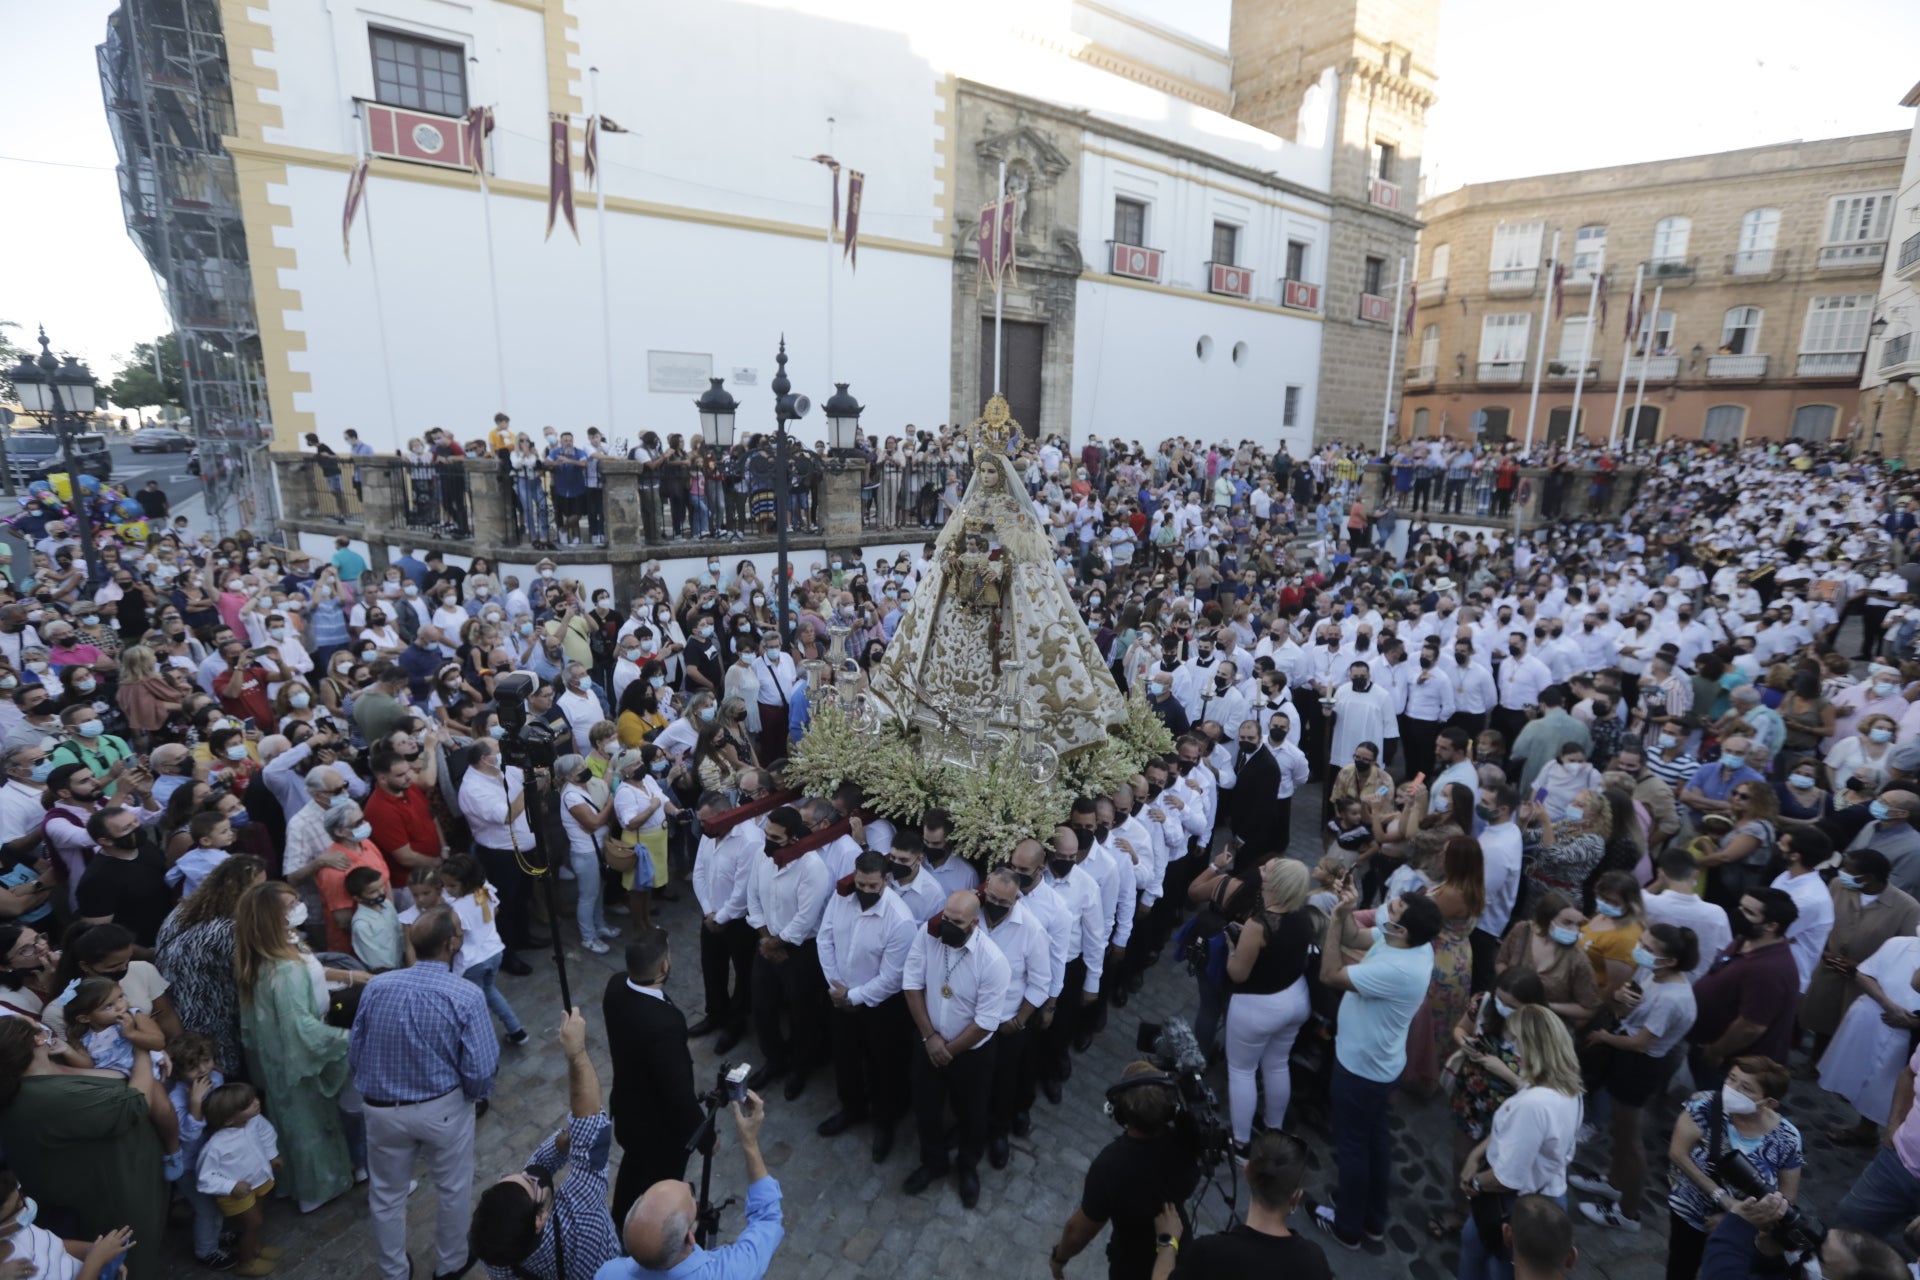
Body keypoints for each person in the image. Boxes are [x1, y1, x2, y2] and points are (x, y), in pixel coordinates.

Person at [351, 905, 501, 1280]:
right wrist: (472, 1096)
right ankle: (450, 1264)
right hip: (443, 1108)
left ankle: (394, 1272)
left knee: (386, 1196)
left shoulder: (378, 985)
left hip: (382, 1109)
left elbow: (356, 1049)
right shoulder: (465, 995)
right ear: (452, 943)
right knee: (452, 1188)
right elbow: (481, 1068)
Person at [1307, 884, 1442, 1249]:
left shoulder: (1400, 967)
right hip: (1380, 1064)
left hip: (1360, 1069)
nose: (1385, 909)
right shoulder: (1405, 941)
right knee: (1375, 1141)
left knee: (1352, 1147)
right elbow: (1356, 935)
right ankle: (1373, 1215)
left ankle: (1348, 1226)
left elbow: (1330, 973)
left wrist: (1335, 918)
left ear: (1402, 930)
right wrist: (1347, 910)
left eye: (1392, 909)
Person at [0, 1017, 169, 1280]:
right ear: (38, 1039)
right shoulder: (46, 1098)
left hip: (122, 1180)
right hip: (114, 1193)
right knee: (132, 1265)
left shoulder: (44, 1075)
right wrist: (141, 1050)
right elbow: (134, 1105)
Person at [232, 880, 355, 1215]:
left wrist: (351, 979)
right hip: (296, 1056)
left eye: (296, 900)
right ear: (271, 918)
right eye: (289, 906)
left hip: (281, 1053)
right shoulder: (283, 967)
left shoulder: (281, 947)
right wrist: (350, 1039)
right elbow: (300, 1027)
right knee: (309, 1124)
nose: (299, 908)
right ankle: (317, 1188)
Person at [471, 1009, 621, 1280]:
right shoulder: (580, 1214)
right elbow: (591, 1128)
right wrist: (576, 1053)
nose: (527, 1172)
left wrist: (559, 1145)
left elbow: (537, 1170)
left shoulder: (497, 1253)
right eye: (529, 1182)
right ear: (540, 1220)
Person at [1574, 923, 1700, 1232]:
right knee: (1619, 1131)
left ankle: (1627, 1212)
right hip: (1627, 1057)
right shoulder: (1653, 975)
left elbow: (1641, 1042)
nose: (1639, 951)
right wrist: (1618, 998)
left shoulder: (1673, 998)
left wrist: (1604, 1037)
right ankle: (1614, 1182)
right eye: (1642, 943)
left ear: (1670, 961)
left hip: (1639, 1066)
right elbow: (1625, 1007)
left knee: (1631, 1141)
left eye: (1647, 948)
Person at [592, 1089, 782, 1280]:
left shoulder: (608, 1273)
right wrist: (749, 1141)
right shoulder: (727, 1273)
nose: (687, 1186)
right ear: (690, 1237)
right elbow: (766, 1220)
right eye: (692, 1194)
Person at [1455, 1006, 1585, 1280]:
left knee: (1499, 1265)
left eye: (1517, 1042)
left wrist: (1474, 1183)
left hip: (1517, 1204)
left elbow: (1507, 1178)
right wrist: (1476, 1154)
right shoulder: (1564, 1085)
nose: (1513, 1049)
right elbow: (1513, 1133)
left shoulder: (1534, 1104)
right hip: (1543, 1190)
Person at [901, 890, 1010, 1208]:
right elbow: (911, 984)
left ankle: (967, 1168)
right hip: (928, 1040)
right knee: (925, 1107)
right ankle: (933, 1162)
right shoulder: (928, 934)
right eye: (946, 917)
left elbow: (986, 1022)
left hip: (971, 1053)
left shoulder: (993, 962)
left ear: (975, 923)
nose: (946, 925)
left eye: (956, 921)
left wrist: (949, 1051)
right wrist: (930, 1038)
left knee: (973, 1115)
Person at [1049, 1062, 1202, 1280]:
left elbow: (1079, 1231)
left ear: (1120, 1113)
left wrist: (1058, 1258)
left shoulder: (1110, 1166)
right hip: (1177, 1242)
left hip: (1130, 1264)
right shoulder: (1189, 1140)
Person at [814, 849, 916, 1162]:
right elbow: (825, 938)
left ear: (886, 880)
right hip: (839, 993)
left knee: (883, 1066)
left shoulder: (900, 919)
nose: (866, 891)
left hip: (879, 1006)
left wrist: (853, 997)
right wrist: (835, 986)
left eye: (873, 886)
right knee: (845, 1058)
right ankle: (852, 1108)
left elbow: (892, 977)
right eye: (862, 884)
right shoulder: (842, 896)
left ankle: (884, 1123)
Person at [1665, 1056, 1801, 1280]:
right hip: (1689, 1213)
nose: (1731, 1089)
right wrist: (1723, 1199)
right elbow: (1678, 1154)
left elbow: (1787, 1197)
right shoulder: (1704, 1105)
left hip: (1747, 1229)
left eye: (1746, 1088)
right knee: (1680, 1268)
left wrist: (1735, 1222)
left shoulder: (1787, 1138)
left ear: (1769, 1102)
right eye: (1731, 1078)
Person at [603, 928, 704, 1229]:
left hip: (628, 1112)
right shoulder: (665, 1024)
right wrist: (704, 1135)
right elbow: (678, 1092)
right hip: (660, 1130)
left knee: (633, 1168)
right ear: (664, 966)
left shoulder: (616, 986)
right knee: (661, 1181)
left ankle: (620, 1217)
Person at [1222, 858, 1314, 1151]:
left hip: (1258, 1007)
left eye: (1267, 871)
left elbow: (1238, 973)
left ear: (1276, 884)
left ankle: (1240, 1142)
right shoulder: (1302, 915)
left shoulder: (1259, 924)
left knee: (1241, 1070)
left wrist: (1232, 950)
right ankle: (1274, 1127)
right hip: (1296, 998)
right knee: (1276, 1063)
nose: (1260, 872)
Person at [1166, 1130, 1329, 1278]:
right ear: (1297, 1197)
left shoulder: (1209, 1252)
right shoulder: (1313, 1261)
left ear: (1247, 1173)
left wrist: (1167, 1241)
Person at [1686, 888, 1800, 1094]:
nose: (1738, 914)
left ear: (1771, 926)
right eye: (1741, 906)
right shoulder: (1745, 939)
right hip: (1709, 1048)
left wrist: (1716, 1051)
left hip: (1734, 1067)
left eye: (1748, 912)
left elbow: (1751, 1026)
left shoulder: (1769, 969)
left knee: (1717, 1111)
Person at [195, 1081, 284, 1277]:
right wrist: (231, 1186)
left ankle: (256, 1249)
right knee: (252, 1223)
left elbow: (267, 1134)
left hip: (259, 1179)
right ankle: (246, 1263)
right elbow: (205, 1177)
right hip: (236, 1193)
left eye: (254, 1098)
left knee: (257, 1218)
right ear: (228, 1120)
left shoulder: (255, 1121)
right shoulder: (216, 1146)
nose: (256, 1103)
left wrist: (272, 1154)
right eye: (247, 1104)